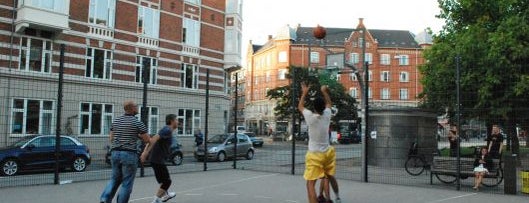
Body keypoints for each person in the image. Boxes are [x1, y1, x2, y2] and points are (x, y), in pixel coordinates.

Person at [100, 101, 150, 203]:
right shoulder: (137, 122)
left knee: (114, 179)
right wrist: (137, 136)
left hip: (115, 153)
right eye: (136, 106)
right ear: (131, 108)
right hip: (129, 154)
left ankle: (105, 199)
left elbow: (111, 138)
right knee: (127, 182)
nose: (137, 108)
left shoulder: (116, 120)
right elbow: (147, 140)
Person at [299, 83, 340, 203]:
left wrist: (304, 92)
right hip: (327, 153)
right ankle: (337, 197)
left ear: (314, 108)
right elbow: (329, 103)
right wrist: (324, 91)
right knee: (329, 176)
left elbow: (300, 106)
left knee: (310, 184)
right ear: (323, 108)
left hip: (314, 155)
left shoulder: (310, 117)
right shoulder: (327, 115)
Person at [141, 114, 179, 203]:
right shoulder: (167, 130)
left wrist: (145, 152)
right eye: (177, 120)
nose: (178, 122)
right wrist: (145, 153)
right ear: (172, 121)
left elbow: (152, 140)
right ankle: (156, 200)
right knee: (167, 182)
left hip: (156, 159)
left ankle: (166, 195)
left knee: (163, 181)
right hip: (157, 159)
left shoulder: (167, 130)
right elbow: (153, 139)